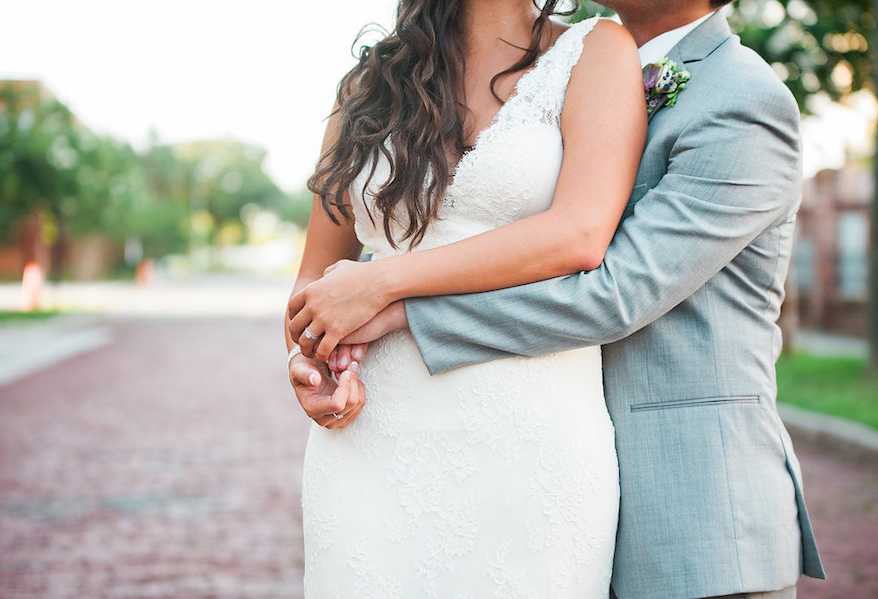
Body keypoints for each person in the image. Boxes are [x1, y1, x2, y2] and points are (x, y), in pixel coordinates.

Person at [288, 0, 828, 598]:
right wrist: (312, 349)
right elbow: (317, 275)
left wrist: (390, 299)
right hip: (388, 440)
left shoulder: (740, 98)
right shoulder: (380, 80)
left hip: (684, 506)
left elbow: (612, 294)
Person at [286, 0, 648, 595]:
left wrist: (383, 280)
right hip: (370, 442)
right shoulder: (365, 84)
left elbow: (580, 235)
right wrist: (308, 356)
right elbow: (315, 282)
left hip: (530, 440)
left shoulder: (597, 51)